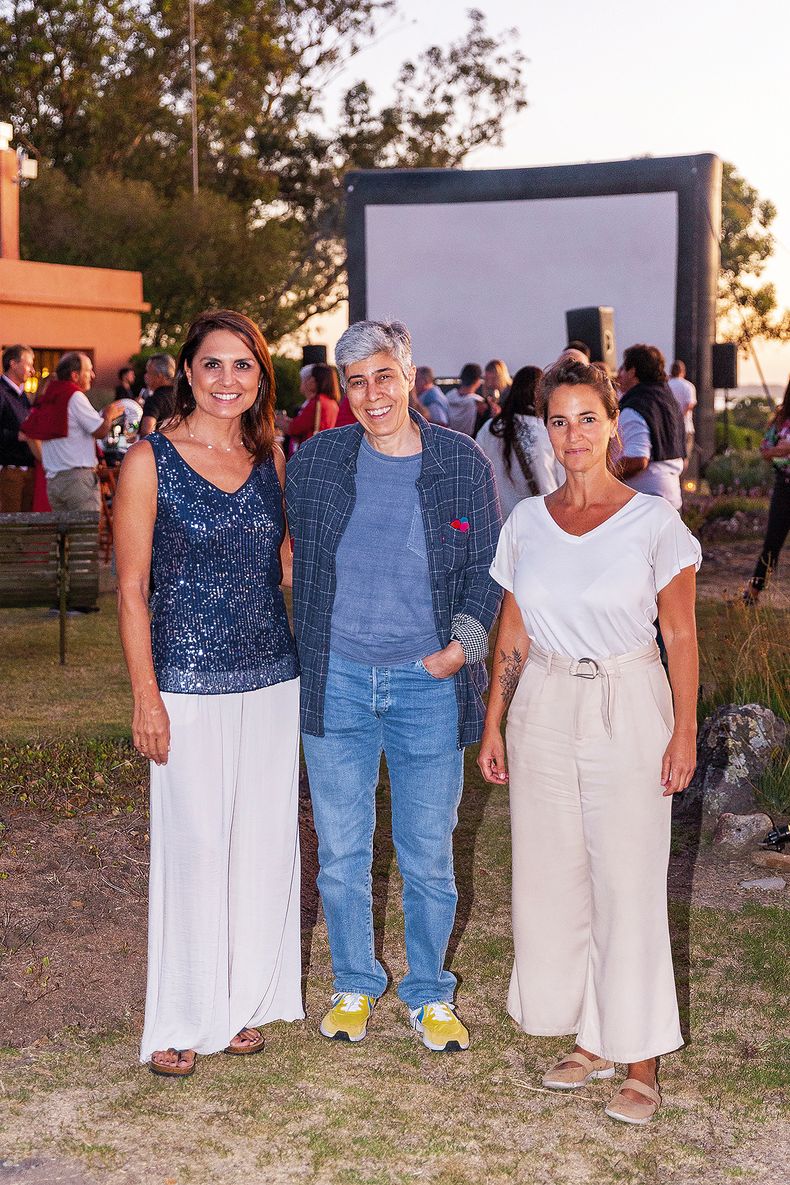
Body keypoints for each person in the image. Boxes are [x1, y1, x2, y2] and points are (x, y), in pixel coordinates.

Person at [479, 358, 700, 1125]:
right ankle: (592, 1036)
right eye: (560, 420)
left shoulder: (653, 522)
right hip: (541, 703)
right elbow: (513, 626)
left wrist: (684, 730)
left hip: (629, 702)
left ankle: (641, 1060)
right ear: (546, 427)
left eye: (588, 418)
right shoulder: (527, 522)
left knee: (628, 881)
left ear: (614, 423)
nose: (574, 435)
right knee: (556, 877)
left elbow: (679, 633)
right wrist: (493, 722)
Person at [286, 319, 502, 1053]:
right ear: (341, 390)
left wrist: (458, 651)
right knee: (343, 853)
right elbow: (288, 554)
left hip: (425, 686)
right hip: (336, 681)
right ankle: (353, 982)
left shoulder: (460, 461)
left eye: (383, 375)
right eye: (355, 381)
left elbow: (487, 570)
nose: (371, 393)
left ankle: (429, 993)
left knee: (427, 852)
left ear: (409, 377)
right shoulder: (315, 461)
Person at [114, 309, 302, 1077]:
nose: (229, 379)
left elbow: (287, 561)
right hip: (184, 682)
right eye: (214, 364)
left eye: (244, 366)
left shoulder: (272, 458)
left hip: (271, 679)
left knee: (261, 842)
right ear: (186, 370)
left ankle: (243, 1002)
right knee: (193, 845)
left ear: (261, 378)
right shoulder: (148, 461)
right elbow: (130, 591)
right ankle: (182, 1014)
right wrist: (145, 695)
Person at [24, 352, 117, 515]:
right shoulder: (74, 396)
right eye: (88, 371)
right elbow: (100, 431)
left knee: (64, 537)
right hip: (77, 480)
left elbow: (29, 431)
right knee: (84, 538)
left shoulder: (49, 396)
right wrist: (109, 414)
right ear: (75, 375)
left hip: (54, 481)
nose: (92, 375)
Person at [475, 366, 564, 517]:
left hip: (500, 524)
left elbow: (476, 474)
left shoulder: (490, 429)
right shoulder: (548, 431)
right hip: (543, 522)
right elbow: (562, 483)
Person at [615, 344, 686, 510]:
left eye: (623, 369)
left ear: (633, 372)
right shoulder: (668, 400)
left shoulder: (635, 406)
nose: (619, 376)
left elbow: (638, 460)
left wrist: (603, 478)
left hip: (647, 505)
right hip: (671, 497)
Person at [743, 379, 790, 604]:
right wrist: (776, 450)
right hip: (785, 486)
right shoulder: (782, 419)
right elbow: (764, 449)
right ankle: (752, 594)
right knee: (772, 542)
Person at [0, 344, 37, 511]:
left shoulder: (23, 396)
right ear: (13, 364)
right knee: (10, 529)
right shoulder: (1, 392)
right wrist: (17, 435)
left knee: (26, 529)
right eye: (28, 364)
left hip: (28, 471)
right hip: (9, 472)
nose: (33, 370)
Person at [276, 362, 340, 446]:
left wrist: (279, 421)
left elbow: (295, 428)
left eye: (310, 378)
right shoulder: (331, 402)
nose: (308, 381)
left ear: (315, 381)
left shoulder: (317, 402)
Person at [667, 360, 697, 466]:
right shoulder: (688, 386)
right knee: (685, 456)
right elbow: (689, 405)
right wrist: (679, 418)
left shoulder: (666, 386)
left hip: (669, 427)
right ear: (683, 371)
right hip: (686, 427)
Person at [138, 355, 176, 437]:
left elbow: (147, 431)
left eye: (148, 372)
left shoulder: (155, 400)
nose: (145, 376)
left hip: (160, 449)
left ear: (159, 376)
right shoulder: (183, 396)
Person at [445, 363, 484, 436]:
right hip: (469, 440)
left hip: (449, 437)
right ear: (477, 381)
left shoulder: (449, 396)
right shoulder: (478, 402)